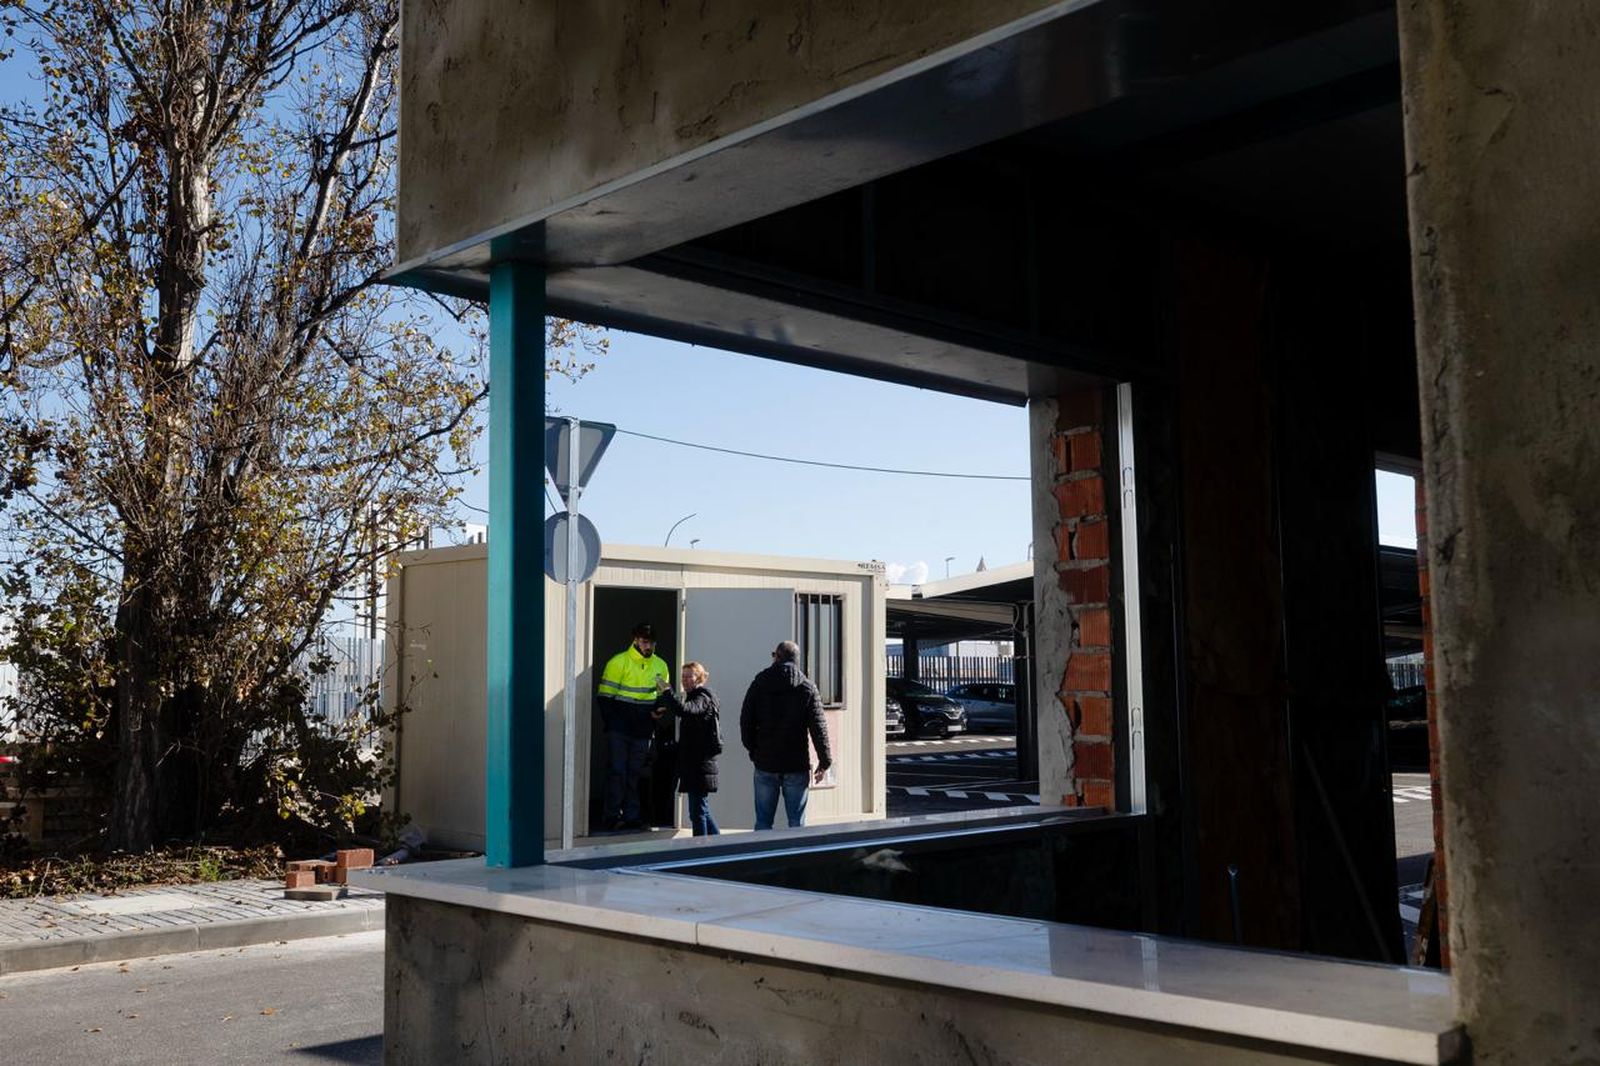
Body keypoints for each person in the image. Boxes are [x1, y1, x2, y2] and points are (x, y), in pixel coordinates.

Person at [740, 640, 832, 830]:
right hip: (795, 763)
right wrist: (825, 761)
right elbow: (818, 728)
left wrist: (753, 751)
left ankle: (762, 858)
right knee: (796, 823)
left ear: (777, 657)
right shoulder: (807, 687)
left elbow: (746, 721)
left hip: (765, 762)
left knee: (763, 822)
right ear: (796, 659)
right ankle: (797, 858)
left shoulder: (760, 683)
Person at [597, 622, 672, 831]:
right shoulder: (618, 662)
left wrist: (658, 710)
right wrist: (613, 725)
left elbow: (664, 696)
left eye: (651, 642)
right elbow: (604, 698)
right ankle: (612, 816)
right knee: (617, 771)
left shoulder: (661, 665)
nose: (648, 646)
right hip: (620, 729)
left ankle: (633, 816)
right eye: (644, 641)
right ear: (635, 640)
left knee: (635, 774)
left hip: (643, 730)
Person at [653, 661, 722, 836]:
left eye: (688, 676)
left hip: (700, 764)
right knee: (702, 810)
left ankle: (700, 851)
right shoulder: (696, 696)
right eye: (682, 676)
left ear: (699, 678)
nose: (684, 680)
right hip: (695, 763)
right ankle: (719, 844)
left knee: (697, 812)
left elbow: (685, 710)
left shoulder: (702, 696)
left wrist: (668, 692)